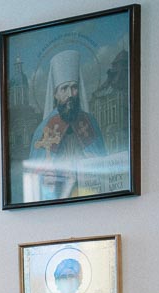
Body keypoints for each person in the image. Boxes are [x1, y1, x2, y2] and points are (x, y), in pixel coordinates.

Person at [26, 49, 106, 202]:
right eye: (64, 88)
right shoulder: (45, 129)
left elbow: (103, 167)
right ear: (55, 94)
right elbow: (36, 178)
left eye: (74, 87)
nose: (70, 94)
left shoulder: (90, 123)